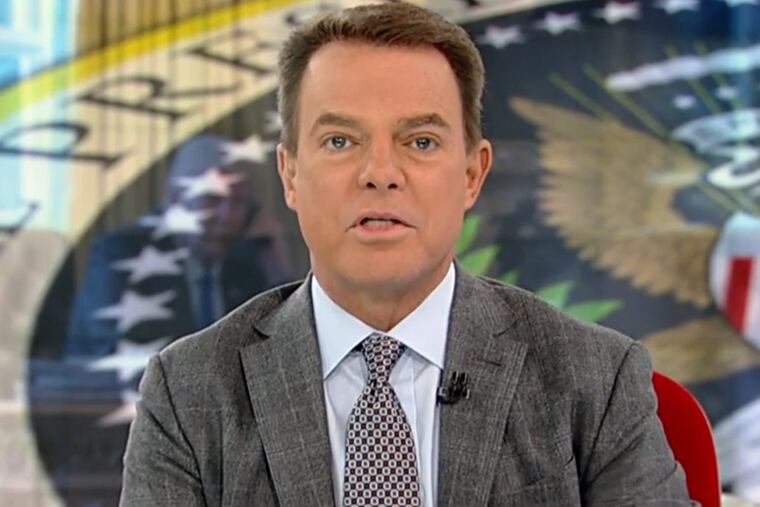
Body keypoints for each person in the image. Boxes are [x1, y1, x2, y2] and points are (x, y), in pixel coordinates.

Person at [119, 3, 692, 506]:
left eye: (420, 141)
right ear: (290, 175)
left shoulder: (595, 379)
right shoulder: (189, 392)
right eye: (340, 141)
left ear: (472, 175)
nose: (380, 173)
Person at [66, 134, 291, 357]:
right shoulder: (123, 253)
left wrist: (276, 267)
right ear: (175, 199)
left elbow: (285, 354)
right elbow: (120, 358)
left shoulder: (245, 264)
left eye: (238, 202)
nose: (227, 216)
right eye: (212, 199)